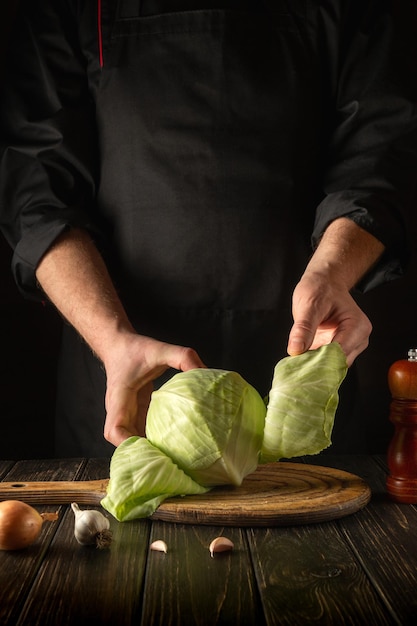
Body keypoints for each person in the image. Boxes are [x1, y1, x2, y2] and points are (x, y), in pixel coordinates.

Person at [0, 0, 416, 457]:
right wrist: (111, 340)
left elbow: (382, 154)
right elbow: (37, 191)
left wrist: (332, 274)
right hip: (128, 383)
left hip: (301, 357)